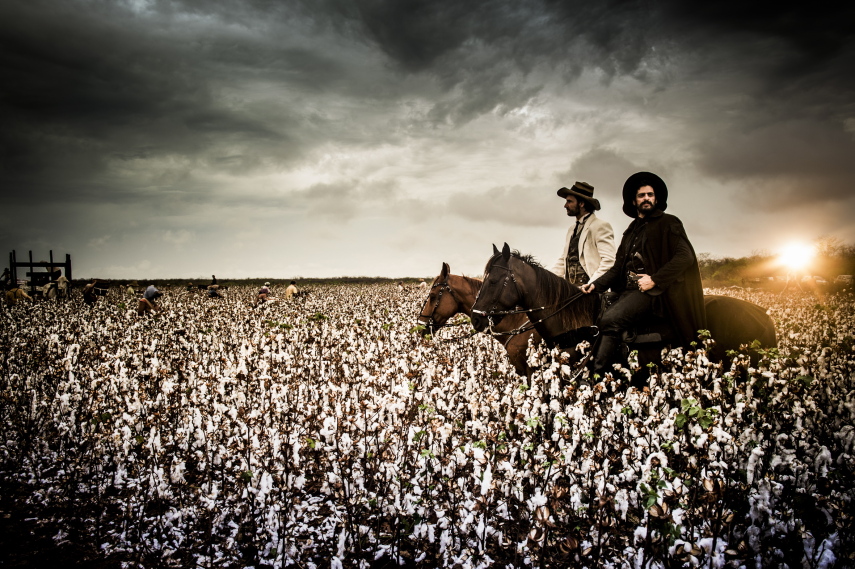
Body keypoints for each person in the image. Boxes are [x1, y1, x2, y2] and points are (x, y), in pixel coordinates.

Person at [581, 172, 706, 378]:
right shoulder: (631, 230)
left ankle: (598, 376)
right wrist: (595, 285)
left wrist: (655, 279)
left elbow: (685, 257)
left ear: (656, 199)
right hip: (627, 290)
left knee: (609, 320)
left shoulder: (669, 222)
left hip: (653, 293)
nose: (646, 198)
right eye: (641, 195)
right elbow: (617, 267)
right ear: (633, 200)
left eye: (650, 194)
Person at [551, 181, 616, 285]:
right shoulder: (572, 229)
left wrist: (592, 285)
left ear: (581, 204)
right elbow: (564, 259)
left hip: (590, 292)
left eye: (569, 201)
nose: (565, 205)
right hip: (571, 290)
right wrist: (546, 279)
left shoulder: (600, 226)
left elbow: (609, 261)